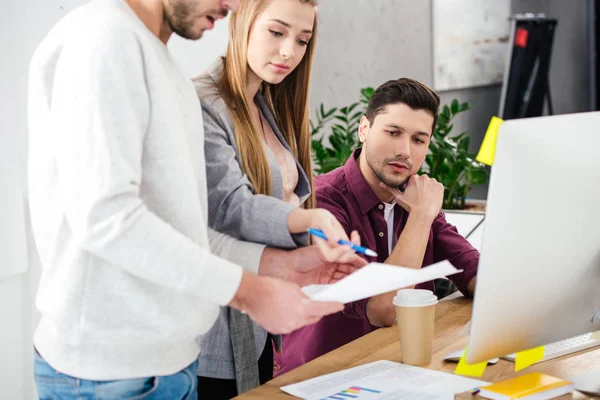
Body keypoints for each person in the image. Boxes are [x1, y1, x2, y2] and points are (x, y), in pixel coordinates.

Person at [27, 0, 346, 398]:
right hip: (107, 375)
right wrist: (250, 290)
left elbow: (185, 228)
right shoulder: (103, 39)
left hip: (171, 365)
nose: (232, 5)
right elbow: (108, 220)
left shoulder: (159, 63)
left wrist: (279, 266)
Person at [193, 0, 367, 397]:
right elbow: (229, 208)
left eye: (302, 40)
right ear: (242, 20)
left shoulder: (268, 104)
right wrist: (308, 222)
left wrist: (318, 248)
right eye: (277, 32)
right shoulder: (204, 103)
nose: (289, 51)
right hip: (218, 326)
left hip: (261, 325)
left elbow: (282, 201)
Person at [274, 78, 480, 376]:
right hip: (323, 378)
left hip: (401, 369)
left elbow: (473, 273)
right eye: (393, 132)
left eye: (418, 140)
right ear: (364, 129)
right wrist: (421, 217)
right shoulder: (322, 204)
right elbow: (383, 309)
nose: (405, 151)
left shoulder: (416, 198)